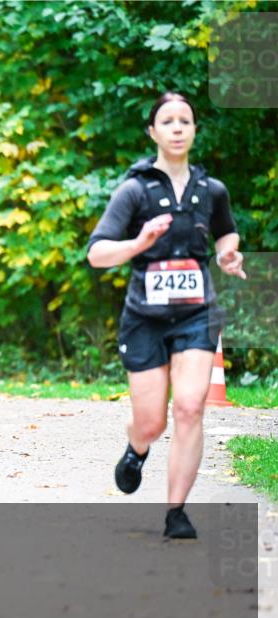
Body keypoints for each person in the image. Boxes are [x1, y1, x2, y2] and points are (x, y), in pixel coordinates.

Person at [87, 92, 246, 539]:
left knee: (191, 407)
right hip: (145, 318)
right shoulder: (134, 190)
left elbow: (225, 232)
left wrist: (228, 254)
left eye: (185, 121)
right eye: (168, 121)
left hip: (196, 314)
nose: (177, 128)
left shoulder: (211, 190)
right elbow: (98, 253)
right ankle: (138, 447)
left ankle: (176, 511)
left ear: (194, 131)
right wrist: (138, 243)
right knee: (153, 421)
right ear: (153, 132)